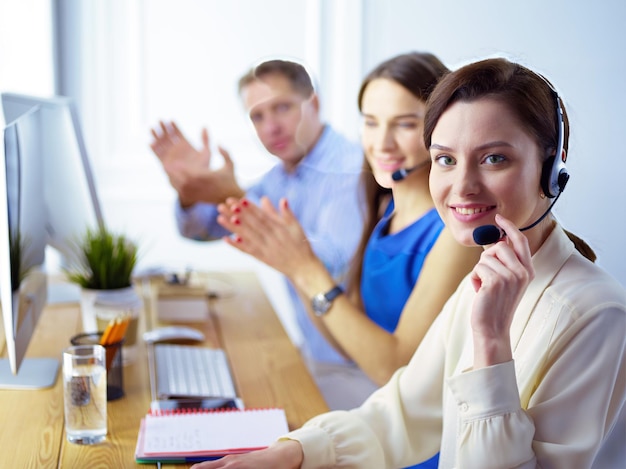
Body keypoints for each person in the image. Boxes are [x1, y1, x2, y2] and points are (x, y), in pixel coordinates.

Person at [190, 57, 626, 468]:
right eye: (446, 159)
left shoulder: (596, 315)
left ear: (552, 168)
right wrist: (292, 452)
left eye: (494, 158)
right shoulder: (486, 272)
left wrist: (491, 343)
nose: (463, 185)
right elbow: (401, 412)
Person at [217, 52, 481, 426]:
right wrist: (293, 265)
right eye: (371, 123)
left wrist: (306, 269)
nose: (381, 143)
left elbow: (397, 369)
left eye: (404, 124)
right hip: (376, 407)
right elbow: (345, 341)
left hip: (419, 434)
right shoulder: (386, 211)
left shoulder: (455, 235)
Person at [149, 60, 367, 407]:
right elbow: (202, 229)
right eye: (257, 116)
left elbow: (331, 263)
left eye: (282, 107)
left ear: (314, 102)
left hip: (357, 371)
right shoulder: (281, 177)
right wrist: (192, 190)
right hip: (318, 356)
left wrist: (229, 194)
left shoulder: (351, 168)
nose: (272, 127)